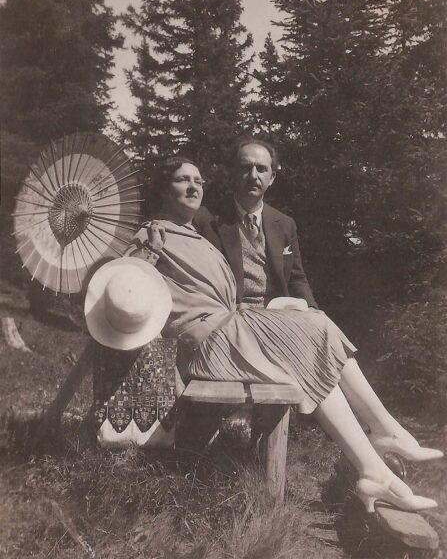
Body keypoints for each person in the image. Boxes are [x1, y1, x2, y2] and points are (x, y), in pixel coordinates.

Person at [88, 156, 443, 514]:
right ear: (165, 189)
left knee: (312, 335)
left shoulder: (194, 234)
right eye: (183, 180)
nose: (194, 186)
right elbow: (123, 287)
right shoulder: (153, 233)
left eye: (198, 180)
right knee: (317, 330)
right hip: (207, 344)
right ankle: (384, 436)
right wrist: (148, 250)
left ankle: (374, 468)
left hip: (228, 332)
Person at [193, 137, 317, 309]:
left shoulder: (285, 224)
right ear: (233, 173)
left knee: (324, 324)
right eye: (245, 168)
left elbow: (296, 278)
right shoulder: (206, 219)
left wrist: (312, 308)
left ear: (272, 177)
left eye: (261, 169)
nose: (253, 176)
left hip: (278, 313)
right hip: (231, 314)